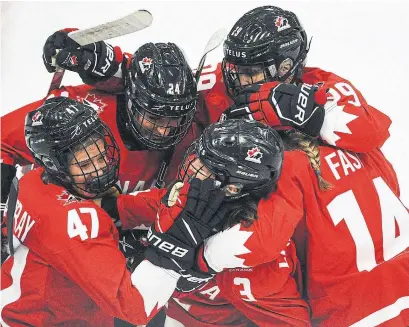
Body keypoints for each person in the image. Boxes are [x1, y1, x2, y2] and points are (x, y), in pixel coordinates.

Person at [0, 97, 227, 326]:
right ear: (55, 164)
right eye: (86, 165)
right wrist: (172, 250)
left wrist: (173, 199)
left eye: (100, 157)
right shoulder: (71, 222)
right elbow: (136, 307)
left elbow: (107, 207)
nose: (101, 169)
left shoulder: (33, 181)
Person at [51, 6, 392, 155]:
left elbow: (373, 132)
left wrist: (304, 112)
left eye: (250, 72)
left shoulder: (321, 86)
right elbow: (158, 86)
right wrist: (100, 61)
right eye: (233, 64)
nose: (236, 77)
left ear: (287, 66)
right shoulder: (216, 81)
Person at [98, 119, 311, 326]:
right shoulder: (201, 197)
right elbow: (152, 204)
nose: (193, 165)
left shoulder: (258, 268)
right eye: (199, 156)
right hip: (176, 313)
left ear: (233, 187)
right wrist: (111, 207)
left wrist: (197, 265)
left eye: (206, 165)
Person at [1, 41, 199, 264]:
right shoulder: (81, 111)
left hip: (107, 252)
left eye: (174, 119)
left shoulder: (193, 130)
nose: (164, 130)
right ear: (131, 99)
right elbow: (2, 139)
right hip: (46, 245)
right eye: (154, 117)